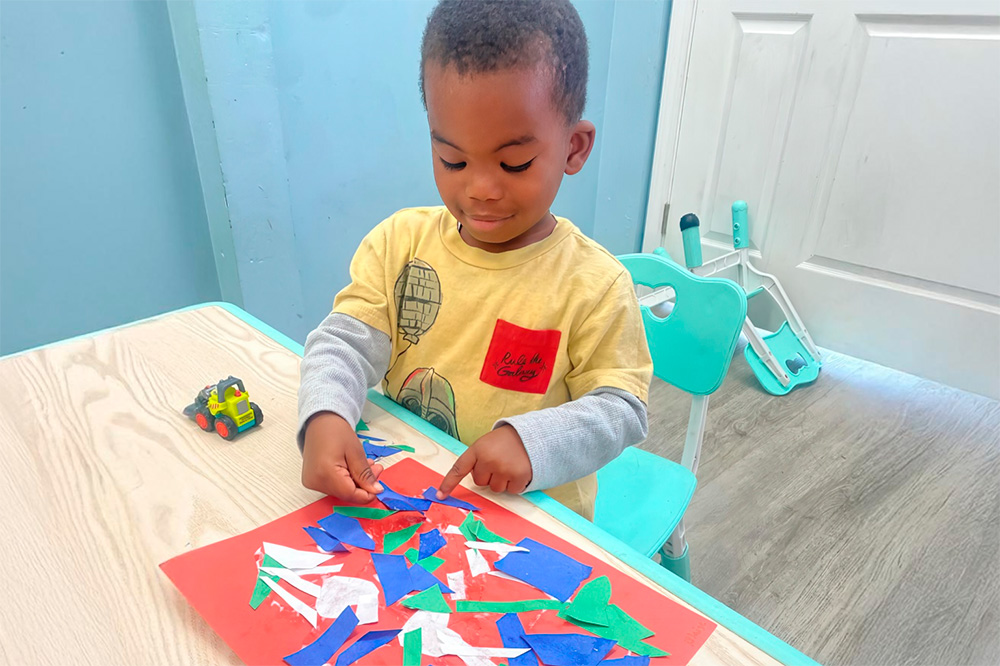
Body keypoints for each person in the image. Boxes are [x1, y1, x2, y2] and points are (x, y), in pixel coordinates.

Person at [297, 0, 652, 519]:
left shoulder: (594, 286)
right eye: (453, 160)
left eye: (514, 163)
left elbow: (621, 408)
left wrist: (531, 442)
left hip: (528, 524)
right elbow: (342, 344)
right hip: (411, 505)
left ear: (574, 148)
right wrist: (325, 415)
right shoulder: (399, 245)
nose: (481, 189)